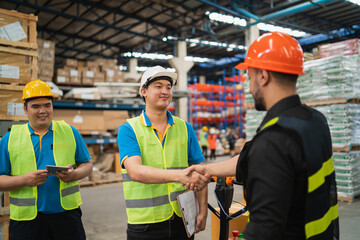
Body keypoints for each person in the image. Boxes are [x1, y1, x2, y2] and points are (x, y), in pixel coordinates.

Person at [187, 32, 339, 240]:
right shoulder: (315, 120)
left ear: (263, 76)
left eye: (249, 77)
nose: (249, 87)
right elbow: (252, 157)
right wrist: (207, 170)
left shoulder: (273, 141)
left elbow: (264, 229)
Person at [117, 66, 209, 240]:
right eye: (158, 86)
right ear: (143, 91)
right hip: (145, 223)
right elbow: (136, 172)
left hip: (182, 218)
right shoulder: (129, 129)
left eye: (168, 87)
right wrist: (180, 176)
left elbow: (199, 171)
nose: (165, 91)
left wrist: (202, 210)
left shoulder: (185, 128)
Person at [0, 80, 93, 240]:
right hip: (26, 221)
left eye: (47, 105)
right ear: (25, 109)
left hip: (67, 216)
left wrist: (74, 175)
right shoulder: (9, 139)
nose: (42, 111)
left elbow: (87, 164)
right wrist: (25, 180)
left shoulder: (70, 132)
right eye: (35, 106)